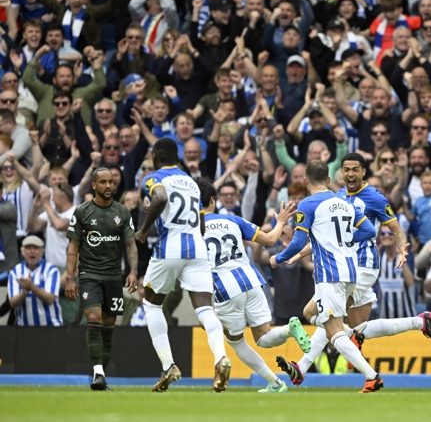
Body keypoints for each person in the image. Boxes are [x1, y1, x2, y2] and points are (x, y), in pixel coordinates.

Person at [276, 154, 431, 388]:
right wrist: (300, 253)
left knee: (321, 315)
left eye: (355, 169)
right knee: (348, 326)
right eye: (346, 170)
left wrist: (402, 248)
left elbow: (394, 227)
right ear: (340, 173)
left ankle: (306, 366)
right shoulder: (338, 198)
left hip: (361, 265)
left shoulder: (373, 197)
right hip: (345, 265)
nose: (350, 174)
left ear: (364, 171)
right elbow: (330, 238)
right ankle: (419, 322)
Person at [269, 160, 383, 393]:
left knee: (334, 331)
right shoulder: (344, 202)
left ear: (305, 181)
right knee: (310, 313)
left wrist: (278, 259)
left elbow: (299, 241)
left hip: (330, 274)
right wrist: (346, 242)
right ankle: (302, 366)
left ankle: (371, 376)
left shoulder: (307, 204)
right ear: (329, 180)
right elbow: (370, 231)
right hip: (351, 272)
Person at [195, 177, 309, 394]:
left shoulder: (191, 229)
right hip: (252, 279)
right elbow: (269, 239)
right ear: (213, 200)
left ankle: (275, 383)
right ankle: (288, 329)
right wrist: (282, 222)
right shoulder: (233, 221)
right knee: (263, 337)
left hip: (225, 287)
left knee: (236, 342)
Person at [134, 138, 231, 393]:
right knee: (205, 309)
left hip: (169, 248)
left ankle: (168, 366)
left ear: (155, 156)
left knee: (151, 304)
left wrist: (143, 230)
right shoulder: (190, 181)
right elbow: (199, 221)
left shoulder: (152, 177)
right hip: (197, 248)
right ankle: (221, 357)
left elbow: (160, 196)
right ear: (176, 156)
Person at [65, 167, 137, 391]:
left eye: (111, 182)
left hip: (113, 276)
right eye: (103, 182)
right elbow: (73, 246)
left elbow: (130, 244)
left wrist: (133, 271)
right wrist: (70, 277)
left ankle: (100, 376)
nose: (108, 186)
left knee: (108, 327)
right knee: (94, 317)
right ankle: (97, 372)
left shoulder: (123, 212)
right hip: (89, 274)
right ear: (94, 185)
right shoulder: (82, 212)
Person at [7, 235, 62, 327]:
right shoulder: (15, 271)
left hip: (51, 327)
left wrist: (31, 287)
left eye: (36, 248)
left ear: (42, 251)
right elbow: (13, 303)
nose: (32, 251)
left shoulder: (51, 270)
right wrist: (25, 292)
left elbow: (50, 299)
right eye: (28, 248)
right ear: (22, 251)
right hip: (24, 329)